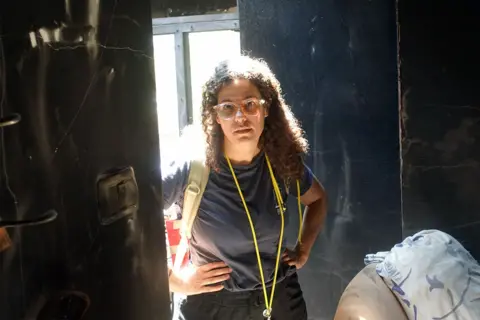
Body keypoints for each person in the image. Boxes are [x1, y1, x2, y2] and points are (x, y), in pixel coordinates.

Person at [158, 55, 327, 320]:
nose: (240, 117)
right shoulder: (191, 165)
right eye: (227, 107)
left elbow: (317, 200)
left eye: (250, 105)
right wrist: (173, 279)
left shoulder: (279, 159)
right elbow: (140, 214)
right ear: (215, 115)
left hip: (280, 300)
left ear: (266, 107)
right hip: (213, 306)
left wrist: (303, 249)